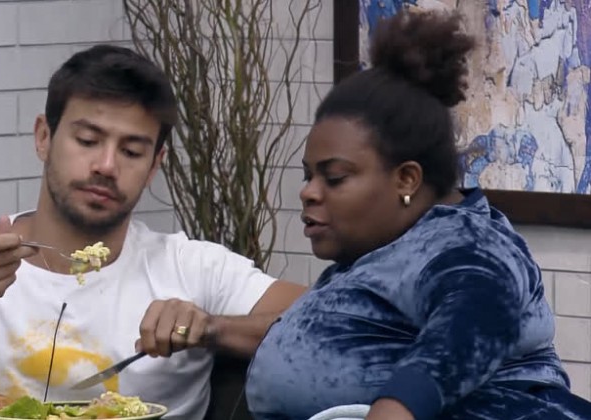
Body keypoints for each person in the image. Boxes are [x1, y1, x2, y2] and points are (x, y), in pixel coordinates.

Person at [0, 44, 306, 420]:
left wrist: (213, 327)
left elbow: (327, 322)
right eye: (87, 141)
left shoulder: (192, 267)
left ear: (155, 166)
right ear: (43, 137)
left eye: (131, 151)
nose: (106, 165)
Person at [245, 9, 591, 420]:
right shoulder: (378, 253)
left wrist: (397, 407)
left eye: (334, 177)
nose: (308, 192)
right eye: (308, 176)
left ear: (406, 179)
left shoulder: (469, 247)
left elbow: (471, 322)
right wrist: (210, 330)